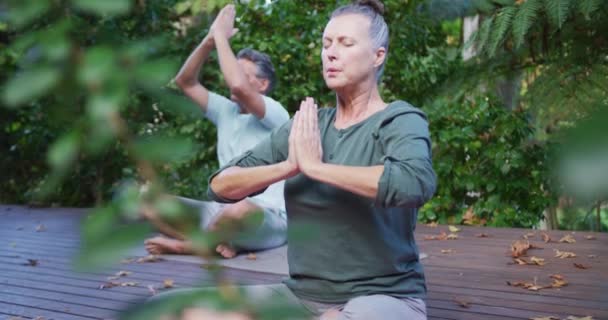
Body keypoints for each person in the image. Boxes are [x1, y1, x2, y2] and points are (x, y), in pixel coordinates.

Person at [175, 0, 436, 319]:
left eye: (346, 43)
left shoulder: (399, 119)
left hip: (384, 295)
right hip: (300, 296)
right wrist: (289, 166)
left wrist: (317, 168)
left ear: (377, 55)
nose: (331, 52)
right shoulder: (306, 126)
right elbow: (220, 185)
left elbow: (413, 183)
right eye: (327, 44)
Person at [143, 4, 289, 259]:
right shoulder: (225, 110)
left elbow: (240, 87)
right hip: (220, 212)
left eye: (243, 73)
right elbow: (185, 81)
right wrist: (210, 40)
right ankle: (220, 241)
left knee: (240, 209)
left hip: (267, 218)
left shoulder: (276, 114)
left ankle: (190, 246)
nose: (233, 76)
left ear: (263, 84)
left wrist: (221, 36)